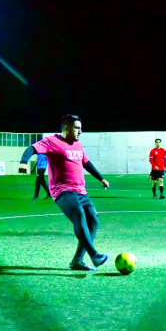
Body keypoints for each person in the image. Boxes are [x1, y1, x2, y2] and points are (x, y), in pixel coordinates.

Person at [19, 114, 110, 271]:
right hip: (62, 190)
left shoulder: (78, 145)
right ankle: (94, 255)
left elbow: (86, 163)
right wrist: (23, 162)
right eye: (77, 128)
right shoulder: (52, 141)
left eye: (81, 128)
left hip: (81, 191)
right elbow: (31, 148)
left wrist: (100, 178)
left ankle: (77, 261)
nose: (80, 131)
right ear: (67, 128)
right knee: (78, 213)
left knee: (93, 221)